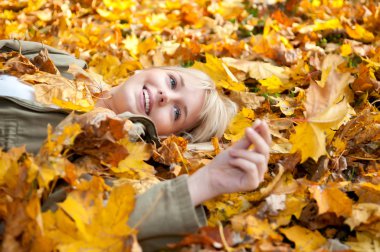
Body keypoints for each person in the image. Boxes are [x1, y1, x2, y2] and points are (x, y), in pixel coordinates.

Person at [0, 40, 271, 251]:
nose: (166, 96)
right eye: (172, 82)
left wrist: (206, 183)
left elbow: (71, 230)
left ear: (168, 139)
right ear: (147, 69)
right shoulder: (64, 64)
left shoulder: (109, 159)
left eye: (178, 112)